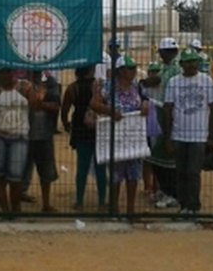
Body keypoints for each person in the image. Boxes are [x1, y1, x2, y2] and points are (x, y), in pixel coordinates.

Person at [91, 55, 150, 216]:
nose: (133, 71)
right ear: (121, 71)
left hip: (133, 137)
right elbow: (94, 104)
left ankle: (130, 208)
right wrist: (110, 111)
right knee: (116, 175)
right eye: (130, 68)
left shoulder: (136, 87)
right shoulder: (109, 87)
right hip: (116, 137)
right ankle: (114, 207)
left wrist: (145, 104)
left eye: (134, 68)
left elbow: (145, 100)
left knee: (133, 174)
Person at [163, 49, 213, 216]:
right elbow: (168, 109)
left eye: (193, 61)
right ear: (181, 64)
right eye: (187, 61)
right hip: (179, 134)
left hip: (199, 135)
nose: (191, 64)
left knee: (193, 172)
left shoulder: (206, 81)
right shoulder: (174, 82)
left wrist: (211, 133)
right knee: (181, 172)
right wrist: (168, 137)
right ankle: (184, 204)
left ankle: (194, 205)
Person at [0, 68, 40, 214]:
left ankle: (15, 209)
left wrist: (34, 93)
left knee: (16, 176)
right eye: (1, 73)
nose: (4, 76)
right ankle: (6, 211)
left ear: (12, 73)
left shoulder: (24, 87)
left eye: (6, 72)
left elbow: (34, 106)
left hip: (19, 136)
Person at [61, 65, 108, 210]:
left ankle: (80, 201)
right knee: (101, 167)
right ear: (91, 70)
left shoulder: (72, 88)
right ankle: (101, 202)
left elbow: (65, 109)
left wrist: (66, 124)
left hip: (80, 128)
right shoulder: (100, 86)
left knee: (82, 166)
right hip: (99, 128)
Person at [147, 37, 183, 209]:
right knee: (157, 157)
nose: (160, 55)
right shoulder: (167, 68)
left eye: (161, 52)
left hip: (170, 115)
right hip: (161, 113)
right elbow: (157, 80)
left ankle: (173, 194)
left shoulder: (176, 70)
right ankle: (164, 190)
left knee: (168, 158)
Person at [23, 69, 61, 213]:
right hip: (25, 132)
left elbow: (56, 106)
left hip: (44, 133)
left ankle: (46, 203)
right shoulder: (22, 83)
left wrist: (41, 104)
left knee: (46, 171)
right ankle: (18, 199)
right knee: (21, 168)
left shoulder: (50, 83)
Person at [141, 61, 164, 197]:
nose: (154, 74)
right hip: (147, 129)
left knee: (158, 160)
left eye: (157, 71)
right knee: (147, 160)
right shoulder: (144, 88)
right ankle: (147, 186)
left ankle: (157, 186)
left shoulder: (164, 87)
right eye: (152, 72)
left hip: (160, 128)